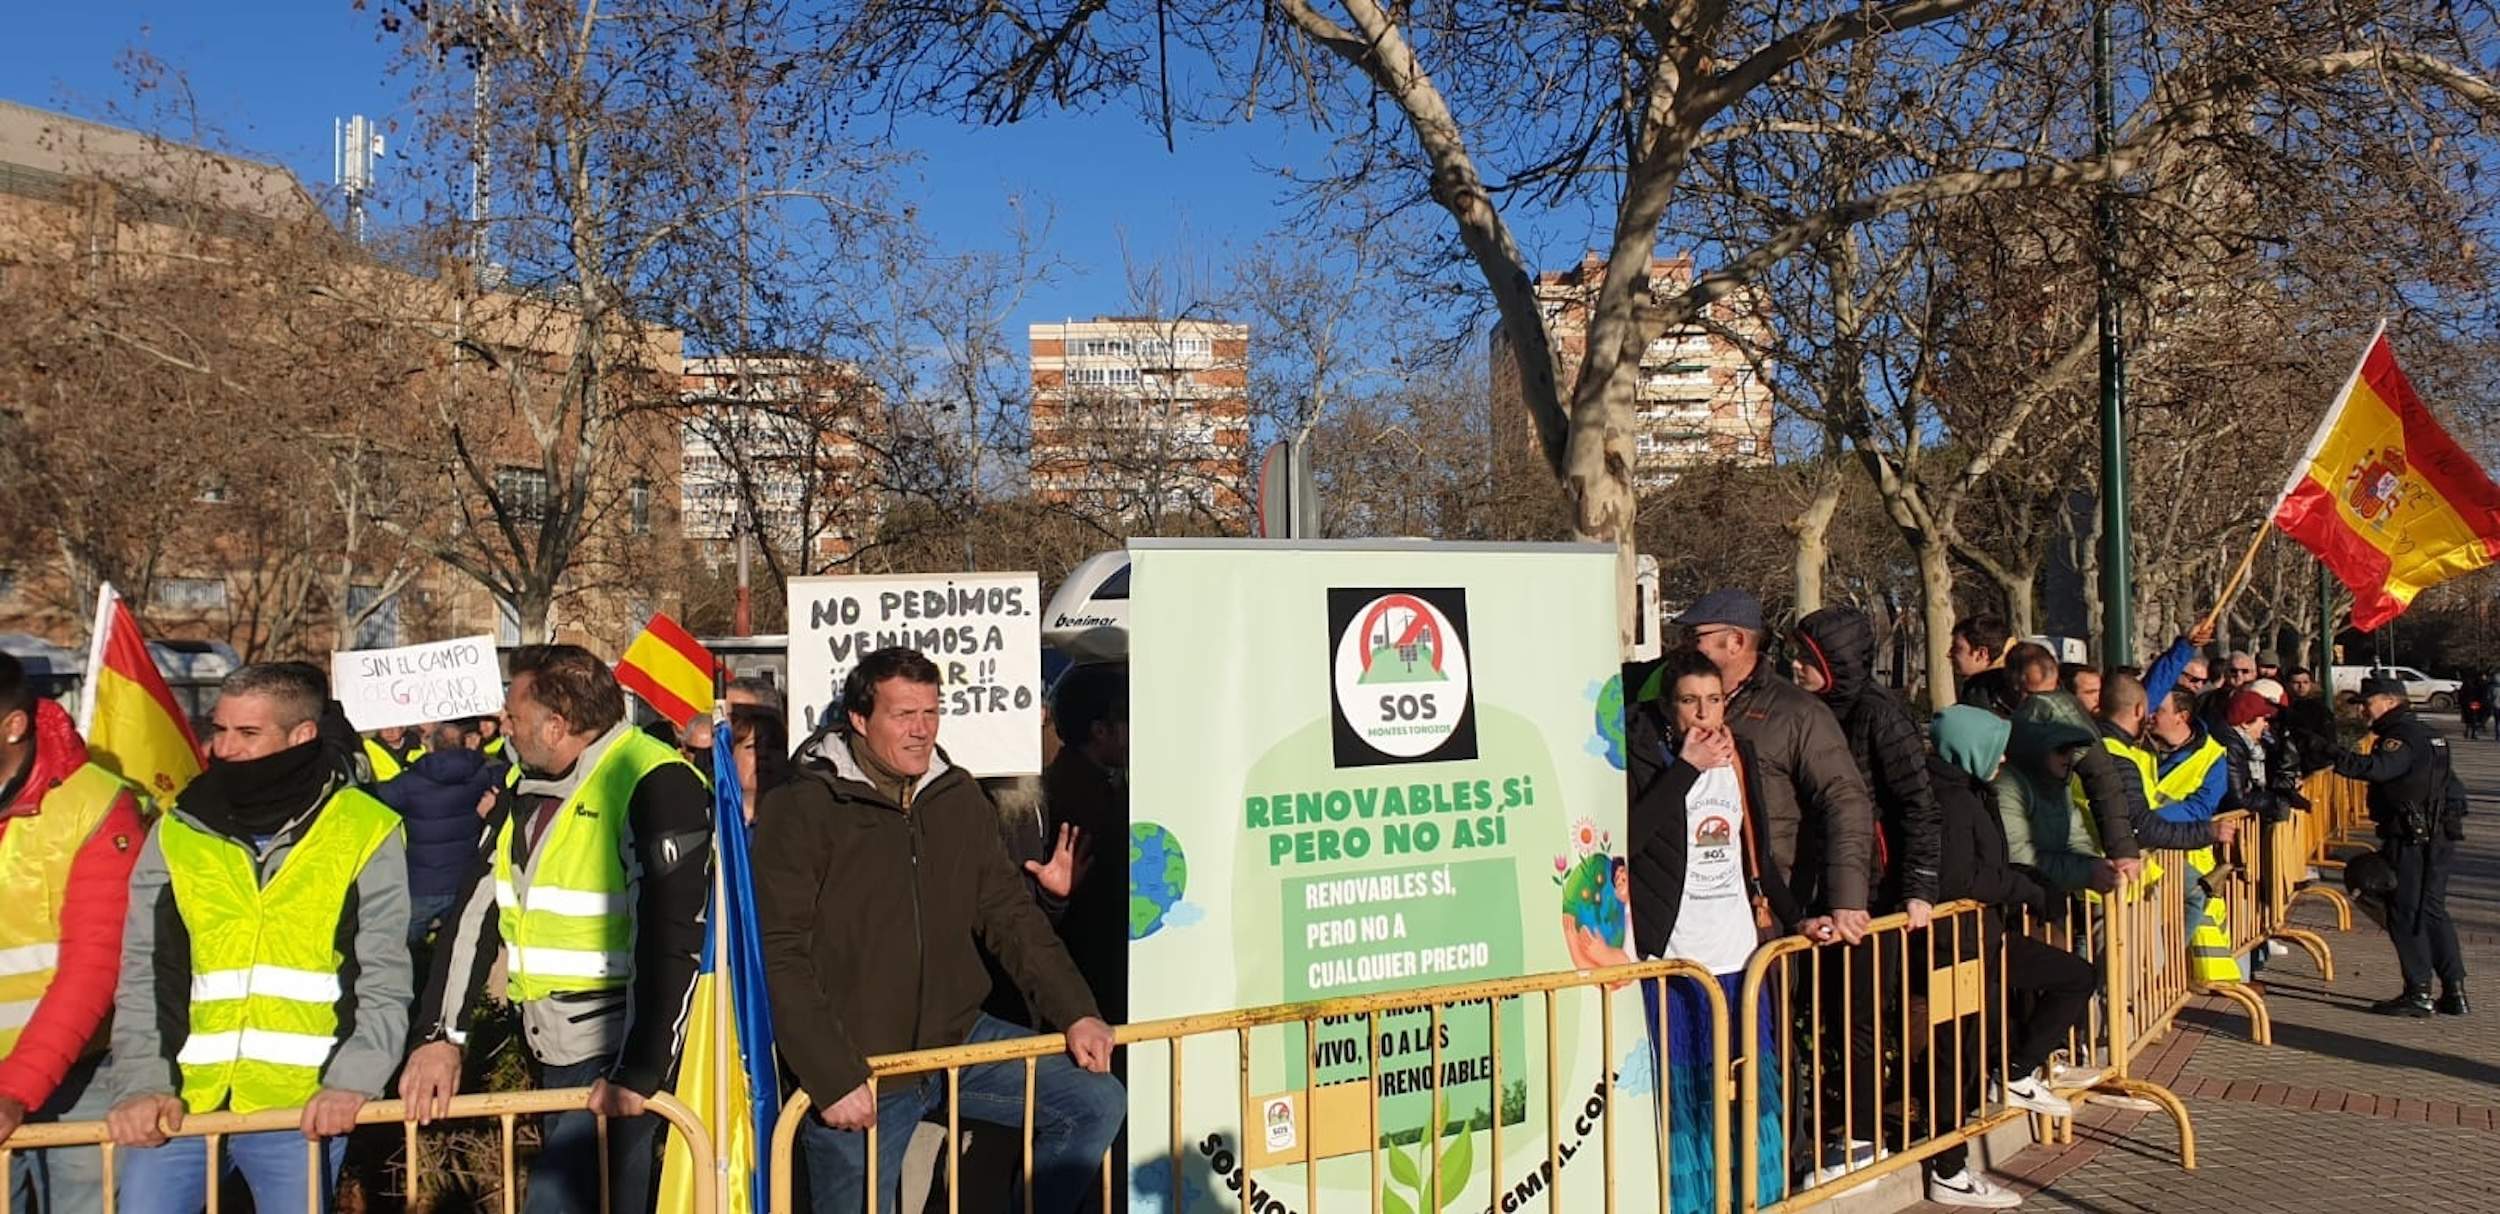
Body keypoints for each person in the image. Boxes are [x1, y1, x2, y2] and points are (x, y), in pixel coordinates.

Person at [756, 647, 1123, 1214]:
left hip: (958, 1040)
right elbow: (779, 952)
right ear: (859, 719)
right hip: (861, 1066)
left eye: (931, 713)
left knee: (1095, 1101)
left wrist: (1076, 1010)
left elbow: (1009, 915)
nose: (921, 730)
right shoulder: (803, 809)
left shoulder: (955, 796)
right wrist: (830, 1074)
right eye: (904, 715)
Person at [402, 645, 713, 1214]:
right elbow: (477, 909)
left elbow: (675, 937)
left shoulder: (654, 780)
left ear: (557, 723)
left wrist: (639, 1070)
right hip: (548, 1045)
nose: (503, 728)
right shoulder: (522, 786)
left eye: (513, 718)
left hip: (616, 1051)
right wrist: (440, 1036)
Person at [105, 664, 411, 1213]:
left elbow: (384, 972)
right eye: (220, 730)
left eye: (248, 734)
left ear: (301, 736)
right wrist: (141, 1082)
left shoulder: (368, 827)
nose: (226, 748)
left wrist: (355, 1080)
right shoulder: (177, 828)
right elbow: (145, 970)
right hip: (176, 1103)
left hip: (302, 1109)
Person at [1623, 648, 1801, 1212]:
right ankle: (1694, 1202)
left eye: (1715, 700)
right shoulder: (1644, 758)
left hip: (1739, 957)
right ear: (1668, 707)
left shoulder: (1742, 755)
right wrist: (1685, 769)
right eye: (1690, 702)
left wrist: (1803, 916)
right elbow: (1630, 841)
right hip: (1675, 960)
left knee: (1748, 1088)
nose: (1705, 715)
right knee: (1687, 1093)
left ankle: (1755, 1194)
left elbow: (1760, 858)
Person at [1923, 707, 2101, 1208]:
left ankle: (2018, 1070)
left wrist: (2031, 883)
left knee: (2073, 977)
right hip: (1955, 942)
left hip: (1982, 935)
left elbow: (1987, 866)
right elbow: (1959, 878)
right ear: (1970, 748)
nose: (2003, 756)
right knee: (1957, 1055)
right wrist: (2023, 887)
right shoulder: (1951, 799)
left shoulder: (1969, 790)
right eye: (1995, 745)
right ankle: (1949, 1170)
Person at [0, 655, 145, 1214]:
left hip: (82, 1075)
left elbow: (95, 965)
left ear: (13, 726)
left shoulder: (96, 804)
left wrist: (16, 1088)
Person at [1675, 590, 1875, 939]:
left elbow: (1844, 798)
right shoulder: (1669, 698)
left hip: (1765, 908)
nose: (1683, 646)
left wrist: (1847, 900)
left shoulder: (1797, 712)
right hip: (1685, 905)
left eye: (1695, 637)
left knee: (1762, 994)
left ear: (1735, 641)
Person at [2335, 676, 2467, 1017]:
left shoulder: (2401, 738)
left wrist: (2333, 755)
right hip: (2434, 835)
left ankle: (2418, 991)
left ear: (2391, 701)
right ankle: (2454, 990)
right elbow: (2453, 787)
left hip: (2412, 838)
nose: (2364, 708)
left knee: (2405, 912)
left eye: (2369, 701)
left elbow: (2380, 770)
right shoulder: (2427, 733)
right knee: (2432, 911)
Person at [1043, 662, 1130, 1022]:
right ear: (1100, 731)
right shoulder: (1079, 796)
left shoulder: (1088, 781)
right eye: (1127, 721)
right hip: (1095, 970)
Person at [372, 719, 501, 959]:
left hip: (421, 885)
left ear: (429, 746)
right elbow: (506, 777)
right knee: (455, 953)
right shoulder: (480, 774)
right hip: (463, 881)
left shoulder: (411, 782)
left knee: (395, 953)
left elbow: (375, 797)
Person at [1950, 614, 2016, 713]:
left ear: (1982, 653)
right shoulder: (2019, 686)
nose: (1949, 653)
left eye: (1957, 648)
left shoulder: (1978, 694)